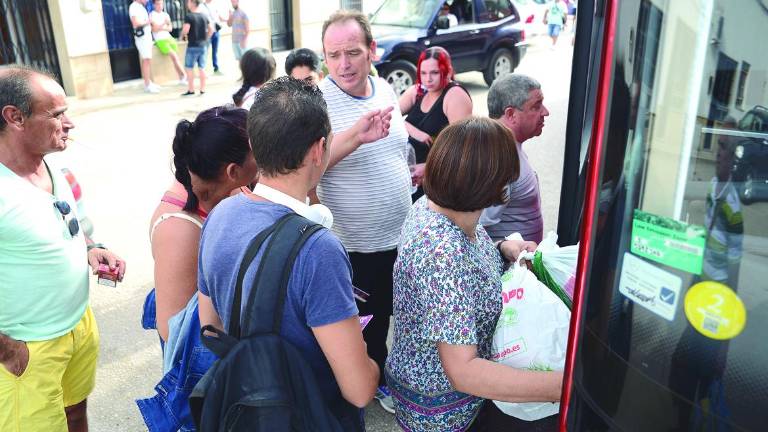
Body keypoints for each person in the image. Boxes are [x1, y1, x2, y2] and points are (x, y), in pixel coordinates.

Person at [197, 77, 380, 431]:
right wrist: (371, 363)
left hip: (243, 408)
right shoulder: (318, 249)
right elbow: (359, 391)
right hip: (308, 414)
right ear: (318, 149)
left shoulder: (220, 214)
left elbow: (211, 327)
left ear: (253, 143)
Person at [386, 117, 562, 431]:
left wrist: (502, 247)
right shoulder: (443, 253)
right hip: (445, 411)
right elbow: (463, 371)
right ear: (491, 182)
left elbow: (466, 265)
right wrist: (564, 386)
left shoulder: (436, 207)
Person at [0, 65, 126, 431]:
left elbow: (73, 226)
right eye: (56, 114)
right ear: (15, 117)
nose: (68, 123)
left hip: (78, 326)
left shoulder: (58, 169)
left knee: (75, 412)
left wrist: (92, 248)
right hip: (28, 348)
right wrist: (7, 350)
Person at [137, 106, 258, 431]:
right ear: (234, 170)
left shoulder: (215, 190)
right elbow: (173, 331)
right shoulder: (181, 228)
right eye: (257, 162)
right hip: (205, 377)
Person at [318, 10, 411, 414]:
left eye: (353, 52)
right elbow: (308, 169)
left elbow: (395, 146)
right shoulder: (317, 102)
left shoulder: (386, 89)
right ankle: (366, 388)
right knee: (364, 325)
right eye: (333, 54)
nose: (343, 64)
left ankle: (388, 373)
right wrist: (356, 135)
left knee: (396, 312)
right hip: (354, 245)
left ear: (372, 50)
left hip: (400, 234)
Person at [481, 74, 549, 243]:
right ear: (510, 114)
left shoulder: (506, 146)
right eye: (536, 106)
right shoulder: (498, 157)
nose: (546, 112)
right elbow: (477, 224)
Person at [399, 46, 472, 199]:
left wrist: (427, 168)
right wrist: (413, 130)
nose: (428, 79)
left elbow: (462, 149)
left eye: (435, 72)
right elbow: (389, 115)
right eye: (423, 73)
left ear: (448, 70)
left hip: (437, 181)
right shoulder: (418, 91)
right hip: (410, 177)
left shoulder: (455, 95)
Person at [150, 0, 187, 86]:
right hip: (160, 40)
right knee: (174, 57)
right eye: (158, 4)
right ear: (154, 5)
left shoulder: (165, 14)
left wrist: (160, 27)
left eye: (161, 4)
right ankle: (184, 75)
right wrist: (163, 24)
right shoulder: (152, 15)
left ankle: (181, 78)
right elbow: (154, 29)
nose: (160, 6)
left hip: (169, 38)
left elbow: (170, 28)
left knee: (176, 58)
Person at [181, 0, 213, 96]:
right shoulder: (204, 16)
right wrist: (206, 38)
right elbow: (211, 29)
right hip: (203, 46)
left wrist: (183, 35)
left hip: (192, 46)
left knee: (189, 68)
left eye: (189, 2)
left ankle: (191, 90)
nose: (187, 4)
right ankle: (202, 89)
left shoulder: (189, 16)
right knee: (201, 68)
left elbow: (186, 30)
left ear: (192, 3)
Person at [130, 0, 161, 93]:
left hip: (146, 37)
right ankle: (147, 84)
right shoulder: (134, 6)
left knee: (147, 59)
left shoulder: (141, 6)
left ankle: (149, 82)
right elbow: (135, 23)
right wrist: (148, 21)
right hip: (142, 38)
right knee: (146, 59)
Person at [200, 0, 225, 74]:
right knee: (205, 51)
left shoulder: (215, 5)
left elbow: (218, 17)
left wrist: (226, 19)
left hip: (216, 31)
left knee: (215, 51)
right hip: (207, 32)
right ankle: (203, 69)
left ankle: (216, 68)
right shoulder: (202, 6)